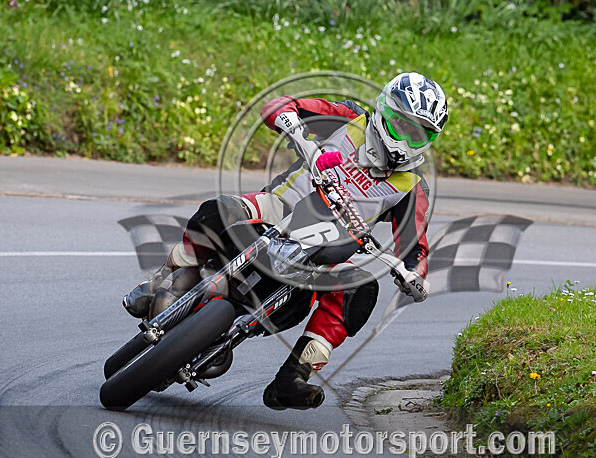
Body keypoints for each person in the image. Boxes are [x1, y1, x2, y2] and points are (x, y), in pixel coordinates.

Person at [123, 72, 448, 410]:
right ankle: (158, 280)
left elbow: (415, 246)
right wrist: (287, 119)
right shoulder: (346, 118)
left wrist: (414, 275)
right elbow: (281, 106)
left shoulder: (412, 186)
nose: (405, 138)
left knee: (362, 289)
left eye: (417, 133)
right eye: (400, 125)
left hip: (328, 249)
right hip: (279, 207)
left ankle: (294, 376)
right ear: (383, 110)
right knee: (220, 210)